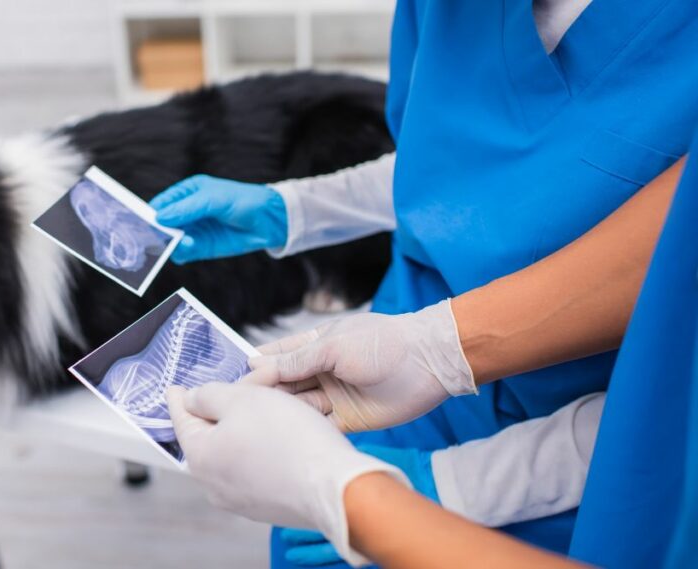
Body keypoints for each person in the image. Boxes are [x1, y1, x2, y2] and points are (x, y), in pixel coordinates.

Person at [150, 0, 698, 559]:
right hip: (394, 353)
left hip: (599, 451)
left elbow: (669, 409)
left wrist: (452, 485)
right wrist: (292, 209)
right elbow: (450, 162)